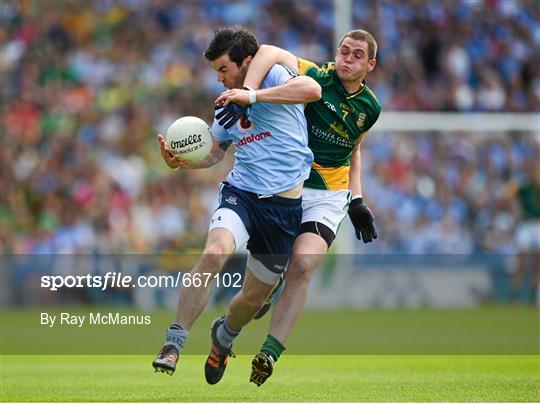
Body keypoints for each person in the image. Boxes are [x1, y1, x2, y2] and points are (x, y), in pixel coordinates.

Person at [152, 27, 322, 385]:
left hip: (283, 209)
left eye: (223, 69)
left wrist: (253, 96)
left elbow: (312, 90)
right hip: (241, 194)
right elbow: (215, 151)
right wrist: (182, 161)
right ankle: (173, 343)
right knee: (215, 252)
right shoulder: (226, 101)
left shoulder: (275, 74)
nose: (218, 78)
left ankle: (224, 336)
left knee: (251, 301)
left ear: (247, 62)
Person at [215, 29, 381, 386]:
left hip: (329, 194)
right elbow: (269, 50)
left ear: (370, 65)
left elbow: (355, 150)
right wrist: (249, 93)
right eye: (343, 51)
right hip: (289, 186)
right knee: (255, 298)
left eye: (356, 55)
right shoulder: (314, 75)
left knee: (304, 264)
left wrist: (357, 199)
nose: (346, 59)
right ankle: (227, 332)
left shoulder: (372, 107)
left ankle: (270, 352)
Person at [508, 164, 540, 305]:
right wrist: (516, 209)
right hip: (526, 225)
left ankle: (532, 298)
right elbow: (509, 193)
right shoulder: (525, 187)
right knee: (521, 263)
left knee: (537, 265)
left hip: (538, 225)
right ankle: (513, 298)